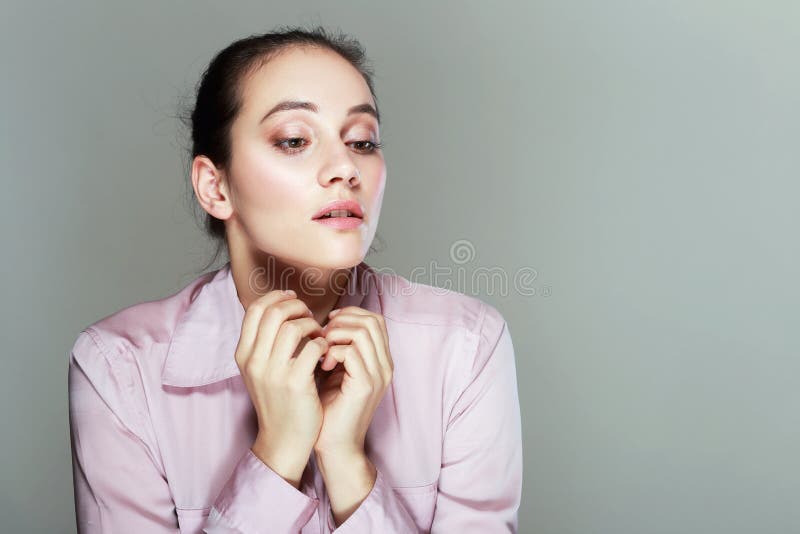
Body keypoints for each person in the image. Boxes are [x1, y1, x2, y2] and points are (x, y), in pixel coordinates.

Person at [67, 26, 523, 533]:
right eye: (294, 140)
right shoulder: (119, 368)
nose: (345, 167)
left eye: (362, 141)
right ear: (215, 187)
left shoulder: (465, 347)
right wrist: (278, 452)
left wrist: (347, 462)